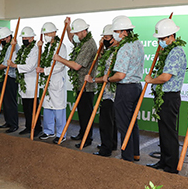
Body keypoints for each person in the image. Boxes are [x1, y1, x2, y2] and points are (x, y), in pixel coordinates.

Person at [145, 18, 187, 173]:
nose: (160, 42)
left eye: (162, 39)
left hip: (169, 96)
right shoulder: (167, 51)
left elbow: (165, 77)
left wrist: (151, 80)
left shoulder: (176, 52)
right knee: (163, 131)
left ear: (171, 37)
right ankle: (163, 161)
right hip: (163, 95)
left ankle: (171, 166)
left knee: (169, 132)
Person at [103, 15, 144, 162]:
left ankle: (127, 158)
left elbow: (120, 75)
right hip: (137, 87)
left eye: (116, 31)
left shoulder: (124, 48)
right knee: (133, 122)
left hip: (125, 89)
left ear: (124, 32)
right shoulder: (138, 43)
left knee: (124, 124)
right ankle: (135, 153)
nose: (114, 34)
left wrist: (108, 79)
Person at [54, 17, 97, 148]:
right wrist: (67, 26)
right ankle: (82, 132)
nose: (76, 36)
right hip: (80, 83)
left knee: (86, 113)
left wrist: (60, 59)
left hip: (87, 85)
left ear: (84, 31)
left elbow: (77, 66)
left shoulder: (89, 44)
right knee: (81, 112)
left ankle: (87, 138)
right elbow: (72, 39)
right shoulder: (82, 40)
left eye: (77, 33)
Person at [85, 24, 118, 156]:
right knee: (112, 121)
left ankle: (106, 148)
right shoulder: (111, 51)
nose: (104, 39)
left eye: (106, 37)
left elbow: (107, 75)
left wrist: (93, 80)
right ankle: (112, 143)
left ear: (114, 38)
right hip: (109, 92)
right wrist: (101, 50)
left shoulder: (114, 53)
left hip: (109, 92)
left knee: (106, 122)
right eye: (103, 37)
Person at [36, 22, 67, 143]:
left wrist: (45, 70)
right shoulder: (47, 47)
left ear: (54, 33)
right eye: (45, 34)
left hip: (56, 81)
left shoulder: (61, 47)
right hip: (47, 82)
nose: (46, 36)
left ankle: (61, 134)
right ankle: (48, 131)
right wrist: (39, 48)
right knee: (47, 107)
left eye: (49, 33)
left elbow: (60, 66)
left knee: (58, 109)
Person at [7, 26, 42, 135]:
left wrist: (15, 65)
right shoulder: (22, 50)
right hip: (24, 83)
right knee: (26, 107)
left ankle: (37, 128)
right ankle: (28, 126)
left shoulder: (35, 50)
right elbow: (14, 59)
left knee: (33, 108)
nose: (24, 39)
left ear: (32, 38)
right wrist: (13, 47)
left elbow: (30, 66)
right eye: (23, 37)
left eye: (26, 37)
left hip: (32, 82)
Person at [0, 26, 19, 133]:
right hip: (5, 76)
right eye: (1, 40)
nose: (2, 41)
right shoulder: (7, 47)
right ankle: (8, 121)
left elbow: (5, 64)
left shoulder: (13, 47)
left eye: (4, 39)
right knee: (5, 100)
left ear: (9, 37)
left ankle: (14, 124)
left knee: (10, 101)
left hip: (11, 77)